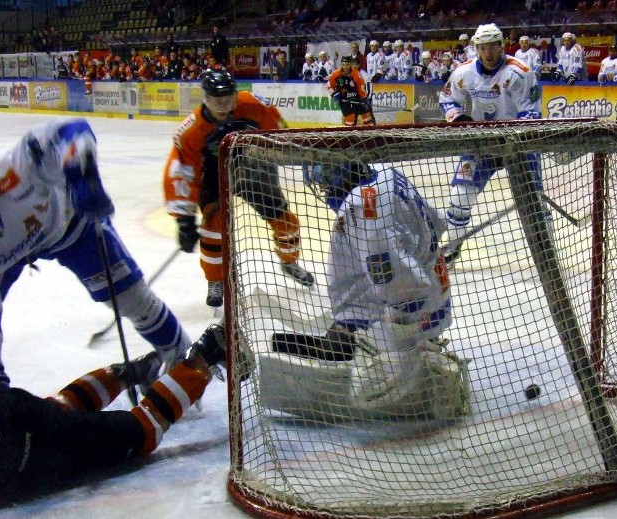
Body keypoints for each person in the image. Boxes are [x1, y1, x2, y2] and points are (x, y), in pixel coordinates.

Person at [0, 119, 192, 391]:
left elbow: (70, 130)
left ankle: (184, 361)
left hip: (69, 225)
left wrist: (83, 177)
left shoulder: (13, 170)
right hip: (7, 257)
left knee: (132, 298)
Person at [0, 323, 249, 517]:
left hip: (27, 447)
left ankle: (207, 353)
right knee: (58, 412)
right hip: (8, 418)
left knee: (142, 430)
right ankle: (123, 374)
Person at [258, 161, 467, 421]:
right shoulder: (385, 175)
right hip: (428, 290)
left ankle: (424, 365)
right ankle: (353, 331)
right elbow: (435, 221)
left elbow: (401, 284)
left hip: (410, 317)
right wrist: (420, 249)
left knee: (365, 394)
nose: (324, 192)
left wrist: (403, 351)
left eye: (325, 185)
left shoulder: (364, 212)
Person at [163, 69, 315, 308]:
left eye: (227, 99)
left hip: (254, 167)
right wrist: (184, 219)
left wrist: (293, 150)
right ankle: (216, 280)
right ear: (205, 98)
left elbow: (281, 133)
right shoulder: (191, 132)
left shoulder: (252, 105)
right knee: (214, 228)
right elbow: (182, 173)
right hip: (214, 177)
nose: (223, 106)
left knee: (286, 222)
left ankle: (289, 262)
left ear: (235, 95)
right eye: (216, 100)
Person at [438, 23, 542, 262]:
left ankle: (545, 253)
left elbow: (532, 113)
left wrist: (511, 133)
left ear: (501, 45)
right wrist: (458, 117)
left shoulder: (520, 72)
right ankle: (453, 249)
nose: (487, 53)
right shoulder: (463, 72)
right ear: (476, 48)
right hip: (481, 145)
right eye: (482, 48)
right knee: (459, 197)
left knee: (534, 202)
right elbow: (447, 98)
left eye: (492, 47)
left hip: (519, 146)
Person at [327, 55, 376, 127]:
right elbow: (328, 85)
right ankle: (349, 137)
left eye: (347, 64)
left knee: (367, 116)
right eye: (344, 65)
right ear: (341, 64)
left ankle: (370, 134)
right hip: (344, 100)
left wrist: (364, 98)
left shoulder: (356, 73)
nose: (345, 67)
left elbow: (360, 86)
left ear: (350, 64)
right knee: (350, 120)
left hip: (356, 98)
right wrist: (335, 94)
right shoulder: (336, 74)